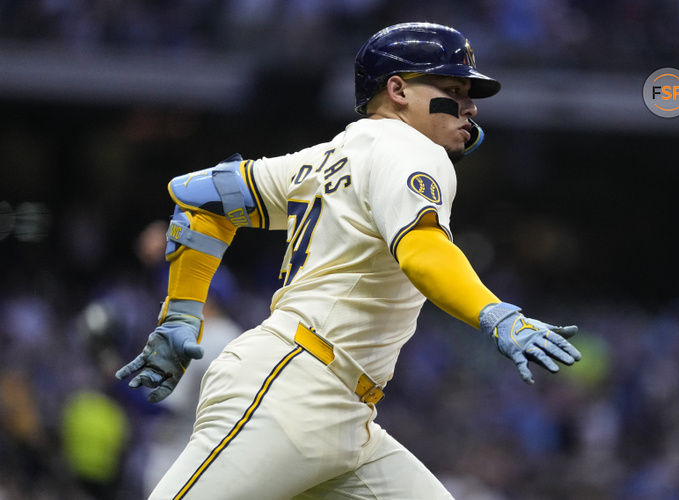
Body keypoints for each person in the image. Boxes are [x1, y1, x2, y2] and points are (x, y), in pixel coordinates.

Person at [116, 22, 582, 499]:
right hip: (292, 388)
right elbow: (422, 250)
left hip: (342, 411)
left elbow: (205, 197)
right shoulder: (412, 149)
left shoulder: (331, 155)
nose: (470, 106)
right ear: (397, 90)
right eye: (451, 89)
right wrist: (493, 313)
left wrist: (180, 313)